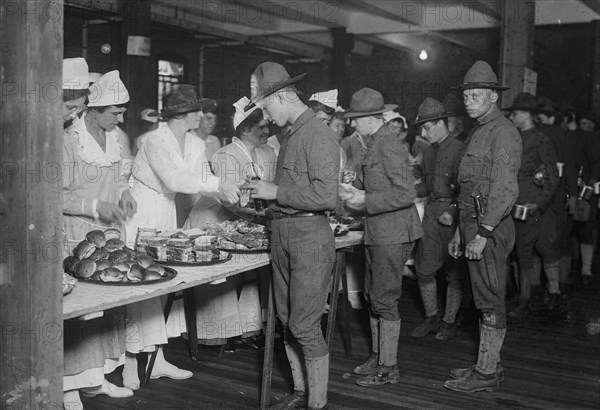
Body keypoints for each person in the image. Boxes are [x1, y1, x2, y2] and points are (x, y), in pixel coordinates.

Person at [122, 85, 240, 390]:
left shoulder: (194, 142)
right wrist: (218, 186)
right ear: (182, 114)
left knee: (162, 282)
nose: (202, 115)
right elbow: (175, 179)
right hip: (142, 209)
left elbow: (198, 178)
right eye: (197, 110)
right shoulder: (154, 140)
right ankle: (130, 362)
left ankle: (157, 359)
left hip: (165, 210)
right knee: (139, 283)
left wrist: (228, 188)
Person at [244, 62, 339, 410]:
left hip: (309, 238)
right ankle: (301, 390)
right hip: (284, 233)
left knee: (304, 324)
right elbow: (292, 189)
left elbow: (327, 196)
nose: (265, 116)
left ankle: (318, 403)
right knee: (286, 320)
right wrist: (266, 202)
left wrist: (275, 192)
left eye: (267, 106)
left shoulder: (319, 134)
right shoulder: (292, 135)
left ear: (283, 96)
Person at [443, 60, 521, 393]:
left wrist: (483, 233)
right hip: (474, 226)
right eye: (466, 95)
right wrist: (462, 232)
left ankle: (487, 372)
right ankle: (486, 363)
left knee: (490, 299)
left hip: (489, 229)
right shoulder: (481, 130)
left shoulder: (502, 131)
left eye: (477, 95)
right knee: (483, 296)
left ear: (493, 97)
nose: (469, 100)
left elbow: (506, 188)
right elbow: (470, 188)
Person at [62, 63, 136, 408]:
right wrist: (96, 206)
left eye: (122, 112)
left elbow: (119, 179)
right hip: (78, 237)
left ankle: (98, 378)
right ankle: (69, 388)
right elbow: (57, 195)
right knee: (80, 317)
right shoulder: (69, 141)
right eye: (115, 113)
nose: (120, 119)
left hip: (112, 237)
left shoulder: (116, 139)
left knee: (110, 312)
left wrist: (124, 195)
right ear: (93, 111)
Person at [339, 88, 423, 387]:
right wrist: (355, 184)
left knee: (384, 299)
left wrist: (366, 201)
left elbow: (406, 193)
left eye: (354, 120)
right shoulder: (373, 143)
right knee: (373, 296)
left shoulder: (389, 144)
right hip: (379, 231)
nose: (351, 125)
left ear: (369, 119)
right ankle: (378, 355)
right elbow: (376, 183)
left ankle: (389, 368)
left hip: (394, 232)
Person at [184, 96, 276, 350]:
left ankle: (248, 329)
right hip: (212, 220)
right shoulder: (225, 156)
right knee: (220, 279)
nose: (268, 131)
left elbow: (270, 188)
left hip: (240, 222)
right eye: (262, 128)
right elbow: (231, 201)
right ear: (244, 129)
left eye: (268, 126)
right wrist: (262, 216)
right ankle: (214, 334)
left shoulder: (267, 152)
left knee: (249, 271)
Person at [410, 97, 467, 341]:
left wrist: (453, 210)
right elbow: (426, 186)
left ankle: (449, 321)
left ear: (442, 123)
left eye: (427, 127)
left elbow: (467, 189)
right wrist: (407, 190)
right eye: (421, 128)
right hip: (432, 216)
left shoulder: (460, 150)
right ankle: (431, 316)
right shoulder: (428, 152)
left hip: (453, 220)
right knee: (424, 270)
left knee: (454, 273)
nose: (423, 133)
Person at [506, 92, 561, 317]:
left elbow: (553, 177)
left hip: (530, 206)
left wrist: (538, 204)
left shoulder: (541, 140)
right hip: (513, 203)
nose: (511, 116)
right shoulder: (514, 137)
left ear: (527, 115)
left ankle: (527, 300)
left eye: (515, 113)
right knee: (521, 252)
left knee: (526, 251)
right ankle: (527, 297)